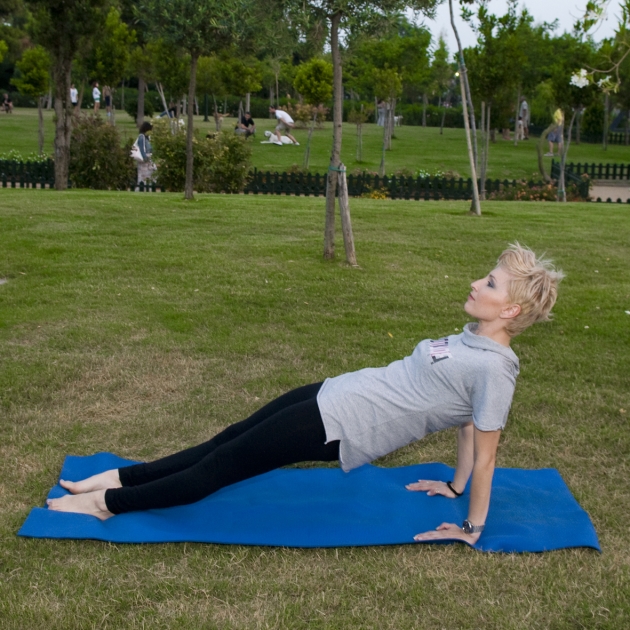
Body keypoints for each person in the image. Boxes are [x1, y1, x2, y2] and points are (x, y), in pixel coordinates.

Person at [47, 244, 563, 545]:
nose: (476, 283)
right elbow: (465, 423)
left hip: (342, 427)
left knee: (222, 466)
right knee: (226, 440)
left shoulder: (497, 370)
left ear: (511, 311)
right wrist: (453, 484)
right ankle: (122, 475)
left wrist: (471, 523)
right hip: (336, 393)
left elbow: (487, 448)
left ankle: (109, 504)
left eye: (490, 283)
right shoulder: (473, 337)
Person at [135, 121, 156, 186]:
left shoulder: (147, 138)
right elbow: (142, 149)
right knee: (143, 177)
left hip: (149, 159)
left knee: (151, 176)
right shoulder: (142, 137)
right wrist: (145, 158)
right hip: (145, 160)